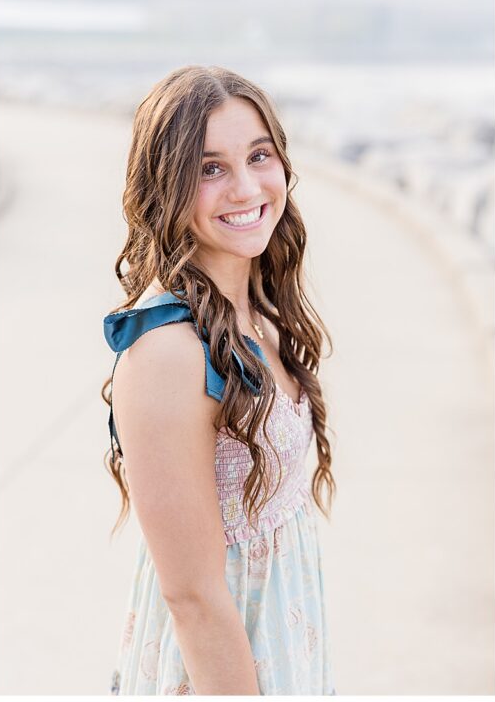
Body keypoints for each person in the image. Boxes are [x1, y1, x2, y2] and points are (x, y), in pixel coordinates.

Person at [101, 66, 336, 693]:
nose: (245, 187)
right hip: (219, 667)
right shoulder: (168, 353)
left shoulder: (254, 310)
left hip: (281, 642)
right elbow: (193, 597)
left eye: (260, 156)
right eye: (210, 169)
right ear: (165, 188)